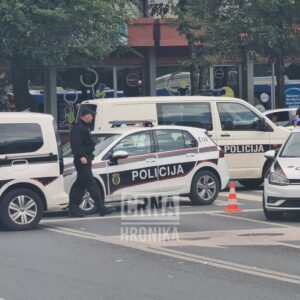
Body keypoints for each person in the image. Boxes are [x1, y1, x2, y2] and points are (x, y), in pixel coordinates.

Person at [68, 107, 112, 217]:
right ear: (85, 115)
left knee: (80, 185)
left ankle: (72, 208)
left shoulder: (84, 126)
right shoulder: (78, 127)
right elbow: (75, 144)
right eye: (91, 115)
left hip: (86, 159)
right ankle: (101, 208)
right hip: (82, 160)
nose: (93, 117)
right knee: (92, 184)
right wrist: (81, 156)